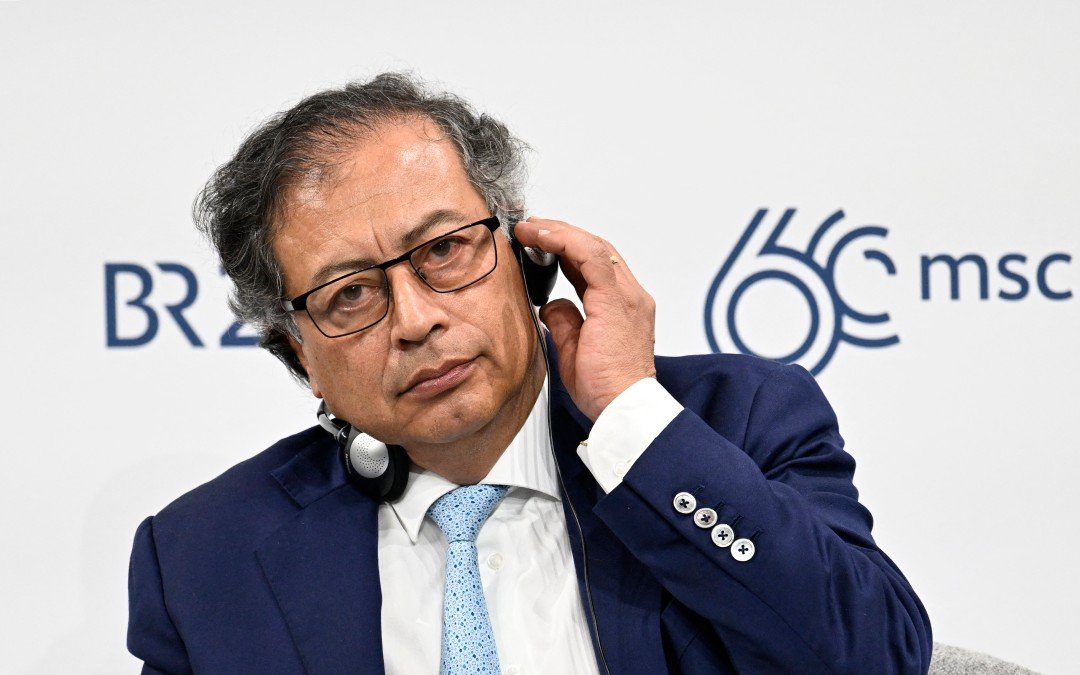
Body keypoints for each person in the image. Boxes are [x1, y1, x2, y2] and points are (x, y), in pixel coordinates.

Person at [126, 72, 933, 675]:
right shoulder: (207, 558)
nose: (415, 319)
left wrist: (631, 423)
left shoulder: (734, 424)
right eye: (350, 294)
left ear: (525, 255)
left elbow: (876, 658)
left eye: (444, 250)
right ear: (300, 353)